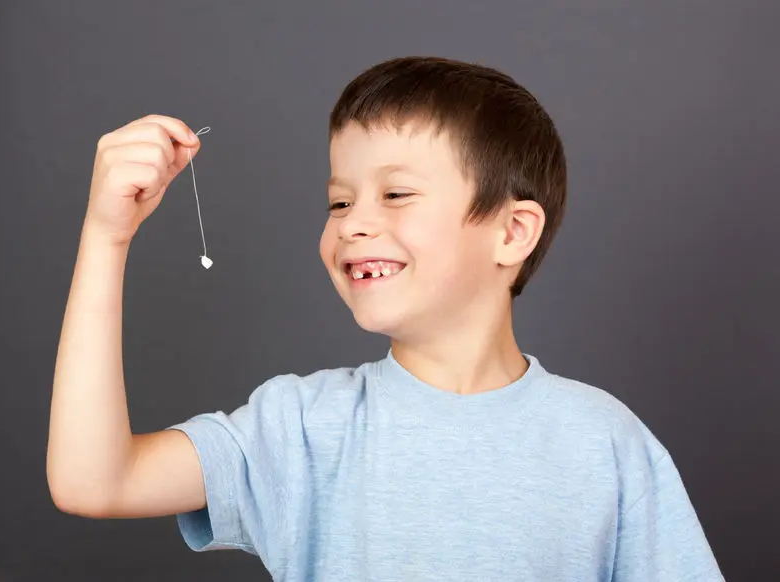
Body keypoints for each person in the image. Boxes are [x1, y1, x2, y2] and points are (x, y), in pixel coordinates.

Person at [47, 56, 725, 581]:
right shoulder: (301, 428)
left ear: (512, 233)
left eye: (395, 193)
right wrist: (106, 238)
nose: (354, 224)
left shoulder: (604, 444)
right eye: (338, 203)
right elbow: (92, 481)